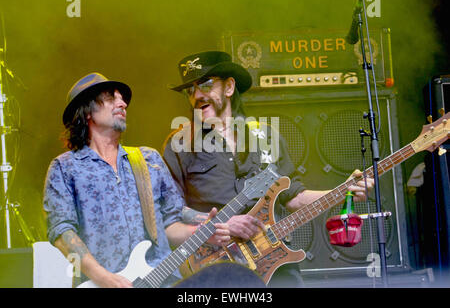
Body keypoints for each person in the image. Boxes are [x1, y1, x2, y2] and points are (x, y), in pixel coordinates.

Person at [162, 51, 375, 287]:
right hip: (216, 267)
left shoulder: (265, 136)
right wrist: (220, 226)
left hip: (274, 262)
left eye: (206, 85)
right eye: (189, 90)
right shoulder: (179, 144)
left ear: (229, 87)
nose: (197, 96)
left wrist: (343, 190)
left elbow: (293, 196)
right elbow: (172, 217)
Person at [43, 72, 230, 288]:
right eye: (111, 98)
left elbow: (170, 222)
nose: (122, 103)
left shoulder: (148, 159)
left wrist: (200, 232)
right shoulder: (65, 168)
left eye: (122, 98)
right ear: (87, 112)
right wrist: (104, 278)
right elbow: (61, 231)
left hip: (162, 280)